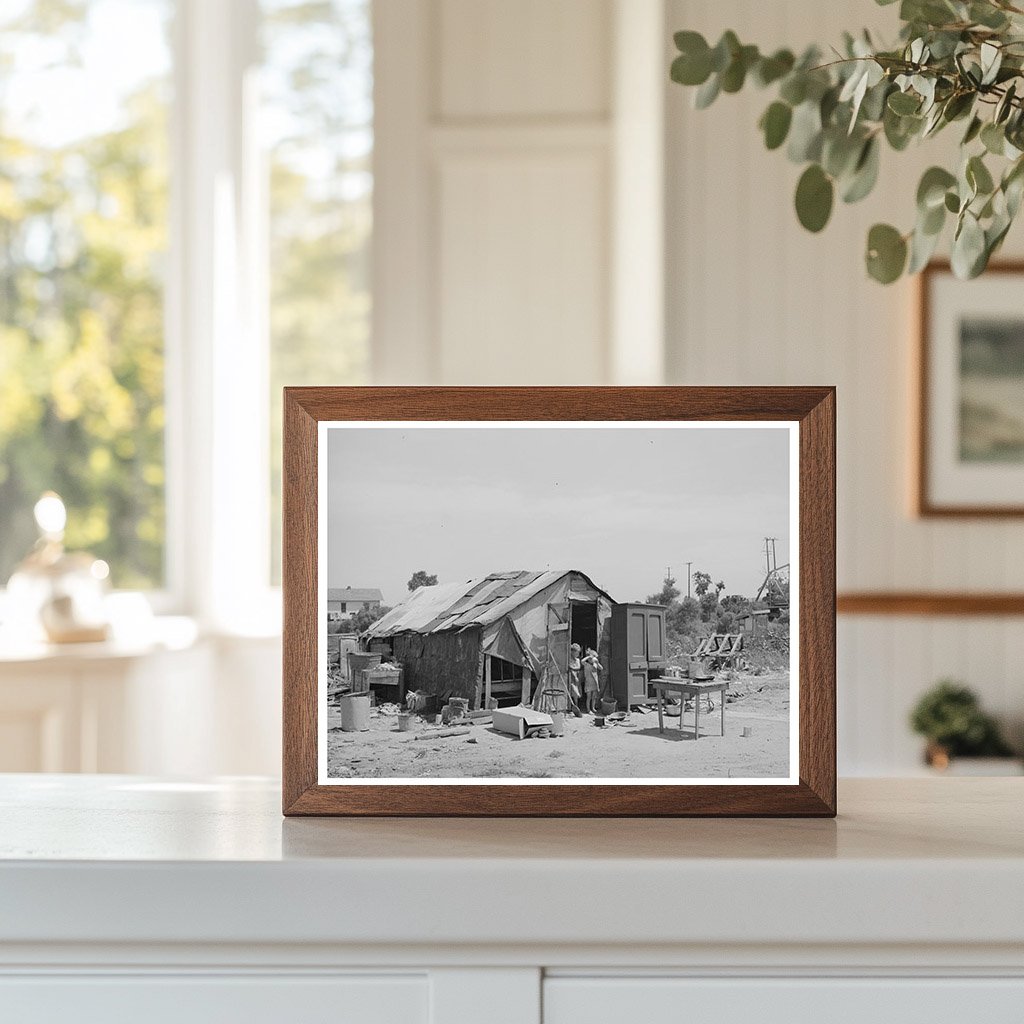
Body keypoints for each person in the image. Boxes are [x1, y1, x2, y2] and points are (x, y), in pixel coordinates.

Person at [582, 647, 603, 714]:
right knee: (589, 697)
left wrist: (597, 662)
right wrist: (588, 657)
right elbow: (582, 661)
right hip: (588, 682)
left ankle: (593, 708)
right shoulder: (586, 664)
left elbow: (601, 668)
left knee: (594, 696)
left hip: (594, 682)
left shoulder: (595, 664)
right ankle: (588, 709)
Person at [567, 643, 584, 717]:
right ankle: (574, 706)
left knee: (578, 692)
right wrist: (575, 675)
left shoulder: (577, 660)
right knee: (574, 692)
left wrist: (575, 670)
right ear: (572, 652)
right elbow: (570, 668)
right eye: (576, 652)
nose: (577, 654)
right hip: (572, 677)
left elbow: (578, 667)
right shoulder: (569, 659)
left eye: (578, 652)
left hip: (578, 676)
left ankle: (576, 707)